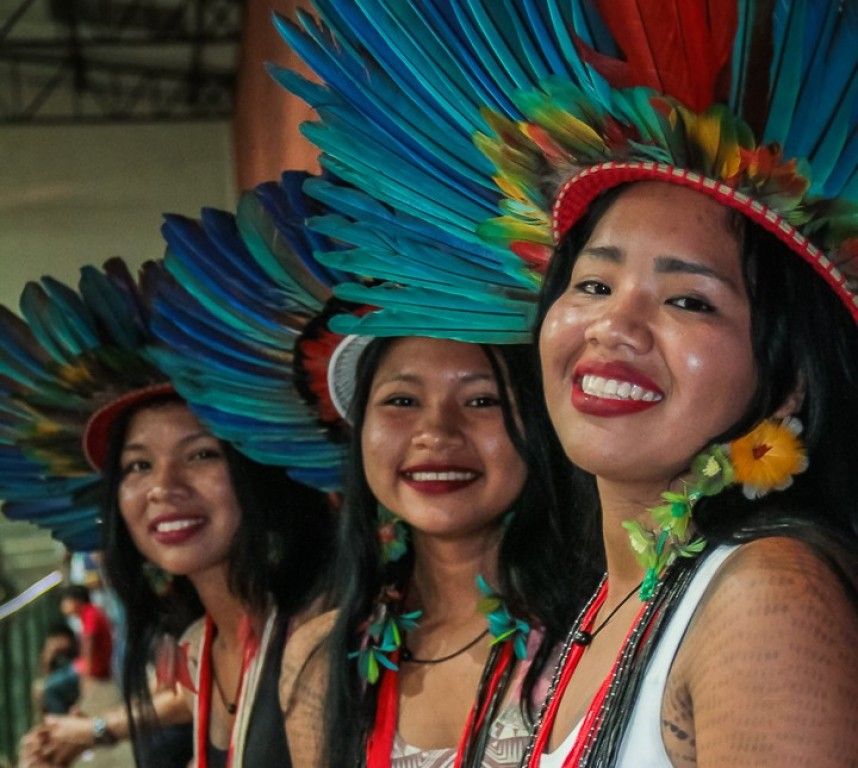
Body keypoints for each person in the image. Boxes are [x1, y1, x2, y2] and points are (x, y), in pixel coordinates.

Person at [279, 332, 592, 768]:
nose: (436, 433)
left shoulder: (597, 624)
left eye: (482, 400)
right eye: (402, 401)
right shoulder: (323, 657)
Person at [58, 585, 113, 682]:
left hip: (98, 669)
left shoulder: (90, 614)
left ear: (77, 601)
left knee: (52, 687)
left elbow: (89, 641)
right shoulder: (89, 612)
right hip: (95, 666)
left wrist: (87, 670)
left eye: (66, 601)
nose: (63, 605)